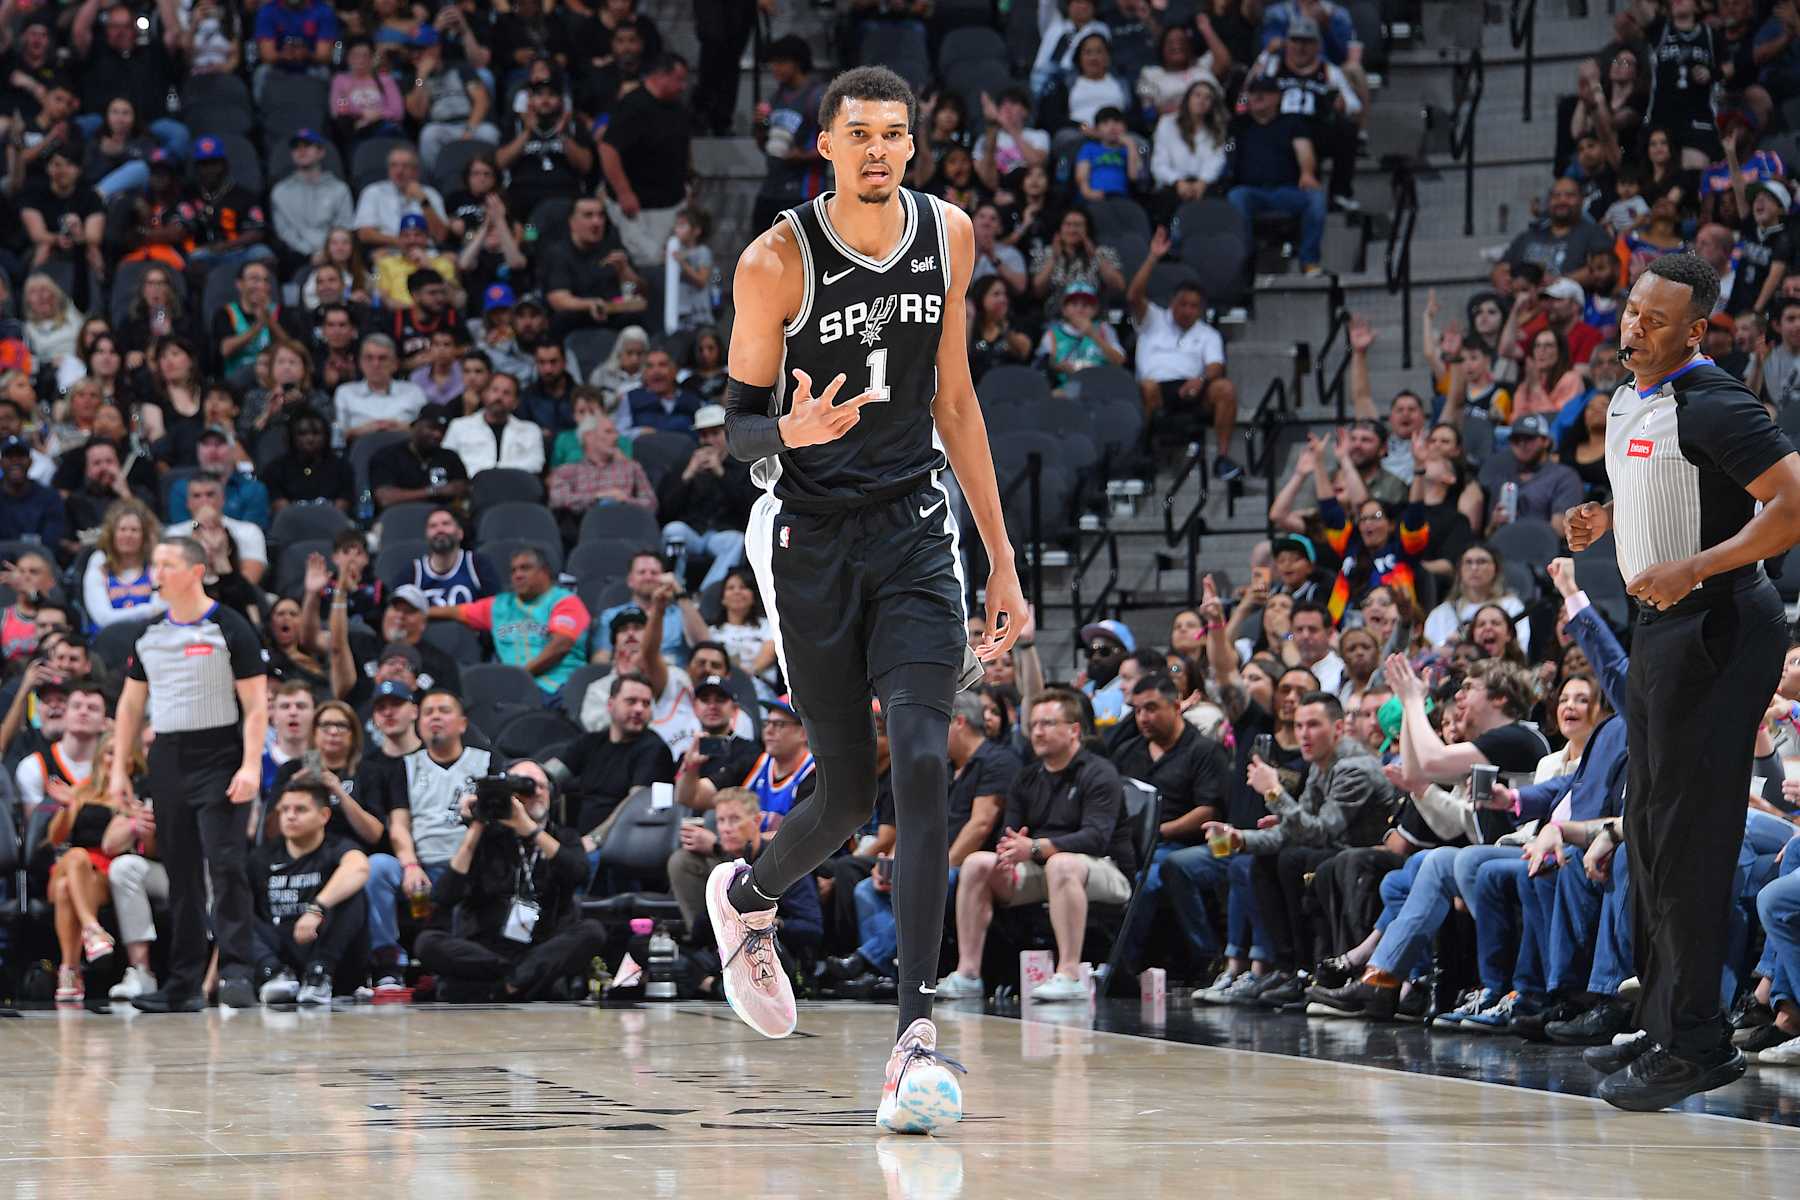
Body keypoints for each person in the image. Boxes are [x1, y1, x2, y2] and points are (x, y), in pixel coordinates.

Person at [705, 66, 1024, 1131]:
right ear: (827, 150)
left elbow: (958, 401)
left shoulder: (951, 235)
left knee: (927, 757)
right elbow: (734, 432)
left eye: (897, 133)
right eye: (861, 135)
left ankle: (915, 1044)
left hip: (913, 527)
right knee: (845, 799)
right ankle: (747, 902)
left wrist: (1003, 562)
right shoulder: (776, 261)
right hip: (806, 536)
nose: (881, 149)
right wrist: (792, 433)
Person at [1563, 251, 1800, 1110]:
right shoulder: (1635, 395)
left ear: (1696, 330)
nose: (1634, 327)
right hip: (1662, 622)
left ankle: (1696, 1041)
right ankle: (1666, 1025)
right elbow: (1674, 483)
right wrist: (1610, 518)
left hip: (1720, 625)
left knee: (1691, 842)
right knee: (1653, 838)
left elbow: (1793, 502)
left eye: (1656, 320)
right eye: (1631, 311)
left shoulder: (1717, 401)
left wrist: (1696, 565)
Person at [110, 535, 270, 1012]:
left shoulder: (229, 626)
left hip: (220, 751)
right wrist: (120, 768)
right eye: (154, 564)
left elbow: (257, 704)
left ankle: (237, 971)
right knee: (180, 873)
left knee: (226, 866)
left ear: (195, 571)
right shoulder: (150, 633)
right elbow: (130, 705)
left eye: (165, 564)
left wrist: (250, 764)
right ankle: (182, 982)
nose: (154, 573)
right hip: (168, 757)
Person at [938, 690, 1133, 1001]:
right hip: (1039, 869)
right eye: (1034, 724)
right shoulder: (1026, 777)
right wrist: (1011, 850)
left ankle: (1068, 974)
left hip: (1103, 869)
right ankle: (969, 974)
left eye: (1048, 723)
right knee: (977, 864)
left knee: (1062, 863)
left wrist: (1035, 848)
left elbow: (1095, 839)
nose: (1038, 731)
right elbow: (1010, 834)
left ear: (1074, 730)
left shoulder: (1099, 773)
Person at [414, 759, 607, 1001]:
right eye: (524, 787)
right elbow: (444, 896)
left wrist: (532, 830)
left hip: (541, 947)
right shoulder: (489, 837)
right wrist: (475, 828)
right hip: (486, 951)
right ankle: (517, 982)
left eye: (541, 786)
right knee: (426, 942)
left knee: (592, 931)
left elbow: (578, 874)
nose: (535, 792)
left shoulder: (563, 838)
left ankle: (497, 990)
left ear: (552, 794)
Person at [250, 781, 371, 1006]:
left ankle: (319, 976)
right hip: (282, 953)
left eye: (300, 810)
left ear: (324, 815)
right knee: (227, 903)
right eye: (285, 810)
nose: (290, 816)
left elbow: (359, 867)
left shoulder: (337, 847)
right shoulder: (262, 857)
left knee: (354, 893)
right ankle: (274, 974)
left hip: (327, 951)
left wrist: (316, 909)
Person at [428, 546, 590, 696]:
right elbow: (456, 611)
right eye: (513, 571)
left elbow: (561, 645)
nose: (517, 575)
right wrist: (419, 613)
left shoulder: (564, 601)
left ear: (544, 571)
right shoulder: (500, 605)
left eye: (525, 568)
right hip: (517, 691)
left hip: (559, 687)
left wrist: (521, 676)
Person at [656, 403, 756, 590]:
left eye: (715, 433)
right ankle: (674, 590)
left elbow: (748, 508)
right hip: (693, 531)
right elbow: (665, 510)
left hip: (722, 532)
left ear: (727, 434)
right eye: (704, 435)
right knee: (673, 531)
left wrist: (721, 473)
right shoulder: (684, 464)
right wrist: (688, 474)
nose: (709, 440)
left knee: (736, 541)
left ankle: (709, 595)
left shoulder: (743, 466)